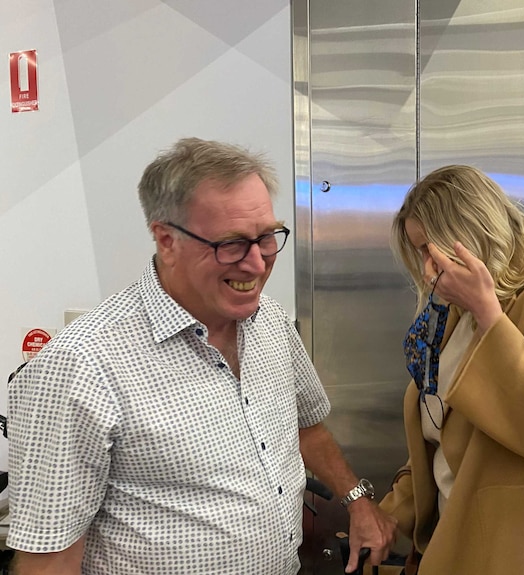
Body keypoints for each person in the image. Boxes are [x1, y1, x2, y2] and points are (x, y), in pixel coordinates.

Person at [7, 137, 396, 574]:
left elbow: (307, 428)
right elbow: (48, 560)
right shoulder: (79, 367)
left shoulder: (269, 320)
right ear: (166, 239)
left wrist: (358, 501)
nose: (257, 264)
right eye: (231, 244)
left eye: (267, 237)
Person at [379, 165, 524, 574]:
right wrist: (387, 516)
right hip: (457, 531)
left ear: (465, 234)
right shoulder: (454, 310)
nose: (425, 268)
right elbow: (437, 436)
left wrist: (489, 314)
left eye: (426, 250)